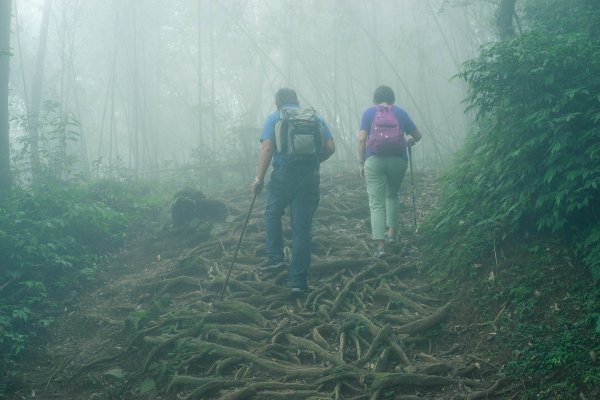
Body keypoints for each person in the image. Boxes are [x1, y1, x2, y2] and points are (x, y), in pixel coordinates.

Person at [251, 88, 335, 296]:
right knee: (301, 231)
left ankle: (275, 258)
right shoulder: (315, 118)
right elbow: (330, 147)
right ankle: (298, 283)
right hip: (309, 178)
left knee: (272, 213)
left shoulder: (275, 118)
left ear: (277, 103)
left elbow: (267, 148)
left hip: (284, 175)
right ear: (297, 101)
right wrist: (315, 161)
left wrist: (258, 179)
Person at [357, 85, 422, 258]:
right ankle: (392, 235)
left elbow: (362, 139)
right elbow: (418, 135)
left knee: (376, 203)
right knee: (392, 195)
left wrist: (362, 162)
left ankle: (380, 247)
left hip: (374, 161)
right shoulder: (400, 113)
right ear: (392, 100)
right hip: (398, 160)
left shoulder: (369, 113)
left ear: (374, 100)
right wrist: (409, 141)